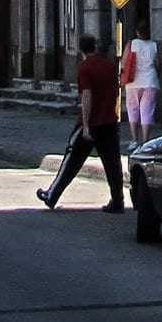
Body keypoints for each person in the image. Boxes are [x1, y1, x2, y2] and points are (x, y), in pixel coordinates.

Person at [37, 32, 125, 212]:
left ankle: (52, 195)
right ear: (94, 46)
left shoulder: (85, 67)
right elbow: (116, 90)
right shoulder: (108, 65)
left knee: (71, 160)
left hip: (91, 124)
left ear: (81, 49)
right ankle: (118, 201)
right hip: (109, 121)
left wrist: (85, 125)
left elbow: (87, 96)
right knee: (112, 163)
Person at [122, 15, 160, 150]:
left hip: (132, 82)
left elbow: (124, 62)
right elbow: (158, 65)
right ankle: (146, 141)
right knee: (147, 111)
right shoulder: (154, 45)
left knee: (133, 109)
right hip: (150, 81)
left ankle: (134, 140)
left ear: (137, 31)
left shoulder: (131, 44)